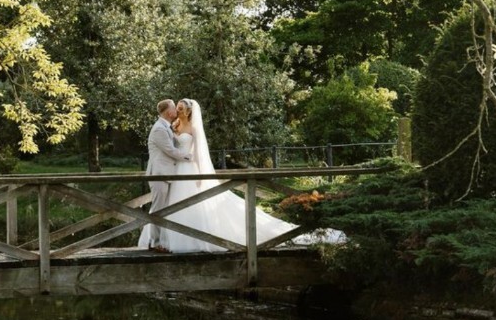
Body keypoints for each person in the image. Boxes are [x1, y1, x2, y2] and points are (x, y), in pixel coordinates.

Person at [139, 97, 346, 253]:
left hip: (188, 169)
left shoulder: (192, 128)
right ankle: (164, 241)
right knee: (170, 207)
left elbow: (198, 153)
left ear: (188, 111)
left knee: (190, 205)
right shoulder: (172, 126)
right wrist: (182, 157)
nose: (178, 109)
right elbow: (171, 150)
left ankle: (189, 241)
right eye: (177, 107)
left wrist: (200, 172)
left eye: (181, 107)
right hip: (174, 172)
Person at [143, 99, 192, 253]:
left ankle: (157, 241)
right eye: (173, 108)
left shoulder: (166, 127)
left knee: (161, 208)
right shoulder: (159, 129)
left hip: (164, 173)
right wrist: (189, 157)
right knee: (158, 209)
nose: (176, 111)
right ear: (168, 112)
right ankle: (156, 243)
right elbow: (170, 150)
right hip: (159, 174)